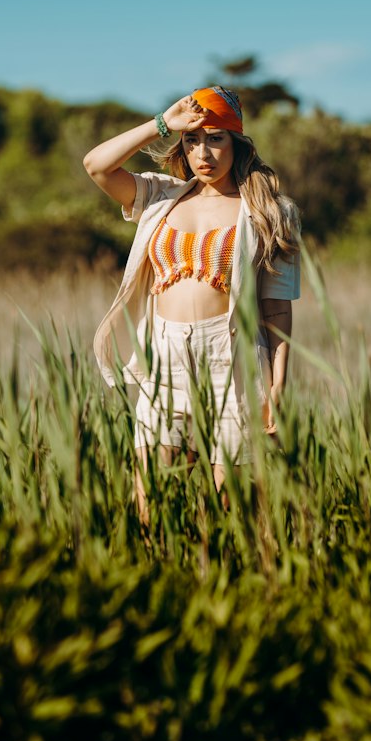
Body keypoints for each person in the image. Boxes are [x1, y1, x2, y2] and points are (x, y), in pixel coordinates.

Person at [83, 85, 301, 521]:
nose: (204, 153)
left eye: (216, 138)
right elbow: (97, 166)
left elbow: (276, 307)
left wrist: (276, 385)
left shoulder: (269, 210)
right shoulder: (160, 198)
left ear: (237, 144)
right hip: (165, 357)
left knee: (233, 505)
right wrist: (163, 124)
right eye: (193, 140)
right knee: (152, 499)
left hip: (232, 356)